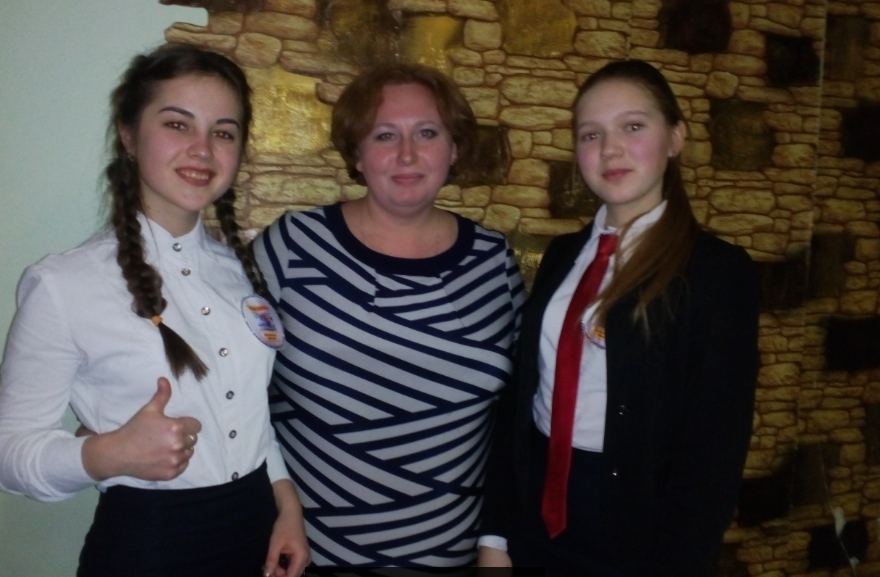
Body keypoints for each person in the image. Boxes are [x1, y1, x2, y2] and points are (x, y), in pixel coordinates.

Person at [0, 44, 309, 577]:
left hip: (257, 530)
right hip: (149, 546)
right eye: (177, 124)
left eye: (223, 132)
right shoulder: (63, 284)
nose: (203, 150)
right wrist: (110, 454)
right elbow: (9, 453)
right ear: (128, 135)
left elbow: (249, 415)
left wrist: (286, 505)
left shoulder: (239, 271)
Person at [477, 59, 759, 575]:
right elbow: (520, 401)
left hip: (634, 533)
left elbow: (712, 455)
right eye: (591, 134)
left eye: (632, 126)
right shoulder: (561, 256)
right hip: (532, 516)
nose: (609, 149)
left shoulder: (717, 273)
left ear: (675, 138)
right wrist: (495, 534)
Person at [253, 63, 525, 567]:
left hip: (453, 558)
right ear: (356, 153)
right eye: (384, 135)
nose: (407, 154)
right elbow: (232, 388)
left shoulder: (493, 260)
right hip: (308, 554)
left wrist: (499, 541)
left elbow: (516, 417)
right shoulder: (292, 246)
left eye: (427, 133)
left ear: (454, 148)